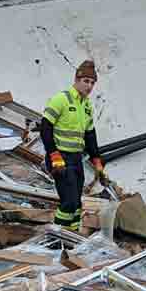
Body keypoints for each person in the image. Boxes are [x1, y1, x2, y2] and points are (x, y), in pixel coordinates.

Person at [40, 60, 109, 231]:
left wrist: (97, 163)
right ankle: (56, 239)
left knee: (77, 203)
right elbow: (45, 128)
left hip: (76, 159)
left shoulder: (86, 106)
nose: (90, 86)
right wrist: (54, 155)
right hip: (60, 159)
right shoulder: (61, 99)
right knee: (69, 202)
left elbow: (90, 136)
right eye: (86, 81)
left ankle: (70, 239)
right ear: (76, 80)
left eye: (92, 82)